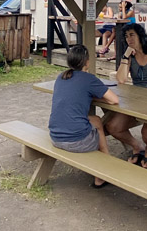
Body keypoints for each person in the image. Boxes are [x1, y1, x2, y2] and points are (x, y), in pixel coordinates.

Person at [49, 45, 120, 188]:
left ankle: (105, 166)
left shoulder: (61, 76)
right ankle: (103, 171)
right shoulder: (89, 79)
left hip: (55, 137)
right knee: (98, 126)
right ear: (87, 61)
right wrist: (100, 98)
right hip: (75, 141)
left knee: (96, 121)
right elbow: (114, 100)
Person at [105, 22, 147, 168]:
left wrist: (146, 96)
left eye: (132, 35)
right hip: (136, 100)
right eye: (126, 36)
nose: (129, 39)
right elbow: (121, 79)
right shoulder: (130, 57)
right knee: (113, 126)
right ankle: (137, 147)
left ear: (141, 36)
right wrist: (125, 56)